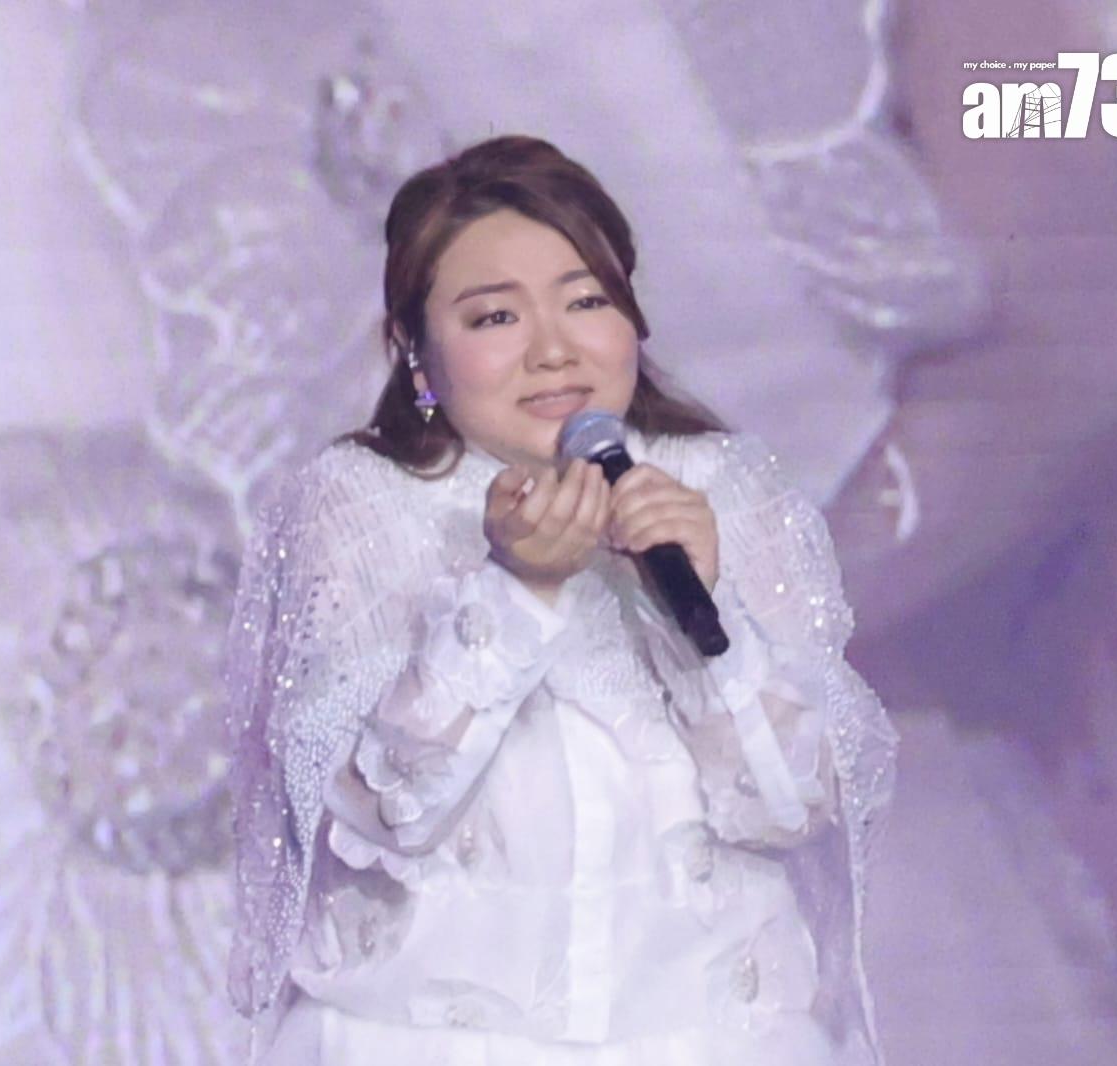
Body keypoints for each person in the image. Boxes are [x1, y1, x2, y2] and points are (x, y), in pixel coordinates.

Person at [224, 134, 899, 1065]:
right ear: (415, 351)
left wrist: (702, 612)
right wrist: (517, 591)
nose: (553, 351)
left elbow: (790, 808)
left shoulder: (726, 490)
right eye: (495, 317)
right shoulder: (363, 505)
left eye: (586, 302)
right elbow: (382, 809)